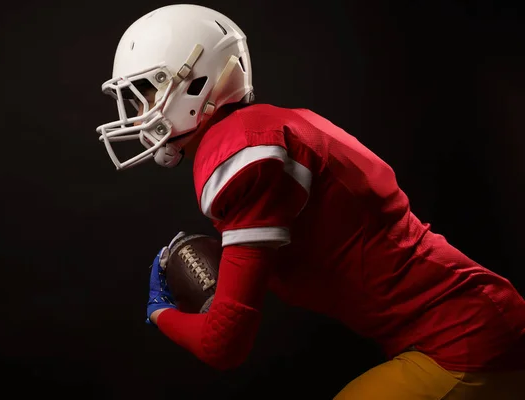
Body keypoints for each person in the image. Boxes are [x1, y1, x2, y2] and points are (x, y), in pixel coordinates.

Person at [95, 4, 525, 399]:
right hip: (465, 328)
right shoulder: (274, 124)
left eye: (145, 92)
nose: (136, 111)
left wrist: (159, 311)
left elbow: (222, 345)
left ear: (195, 81)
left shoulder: (241, 149)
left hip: (467, 343)